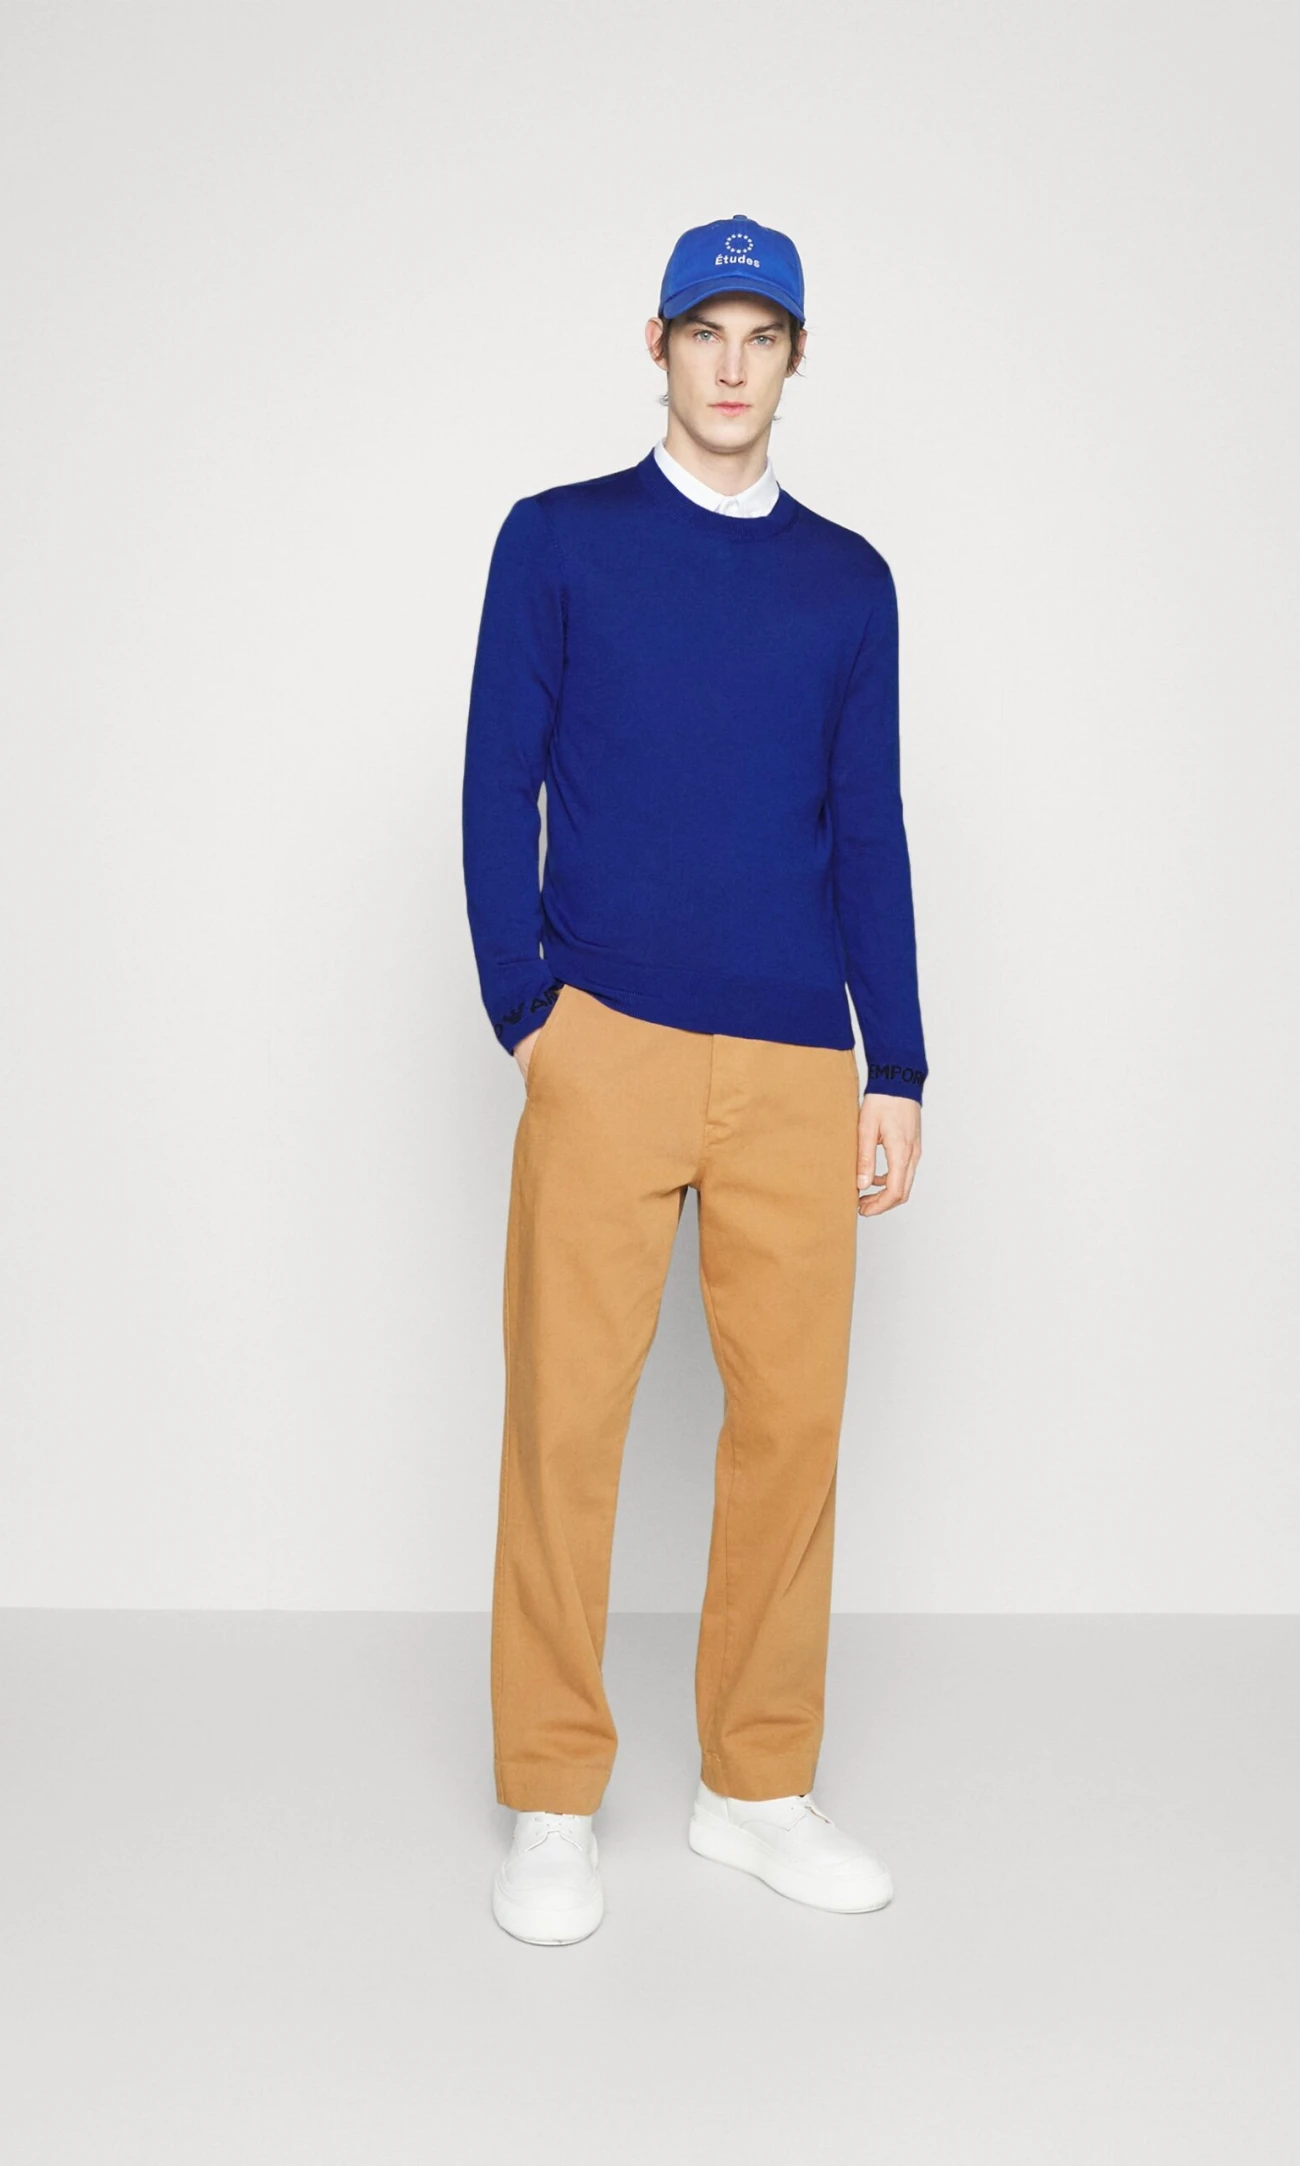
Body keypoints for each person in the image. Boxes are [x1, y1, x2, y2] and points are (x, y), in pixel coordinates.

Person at [461, 215, 927, 1945]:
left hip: (801, 1057)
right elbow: (495, 774)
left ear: (795, 359)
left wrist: (900, 1059)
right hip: (610, 1041)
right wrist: (531, 1011)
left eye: (763, 336)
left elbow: (867, 826)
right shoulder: (559, 541)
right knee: (566, 1420)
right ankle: (550, 1795)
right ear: (655, 344)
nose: (732, 365)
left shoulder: (849, 584)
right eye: (705, 332)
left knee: (793, 1428)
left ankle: (756, 1783)